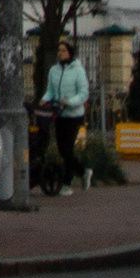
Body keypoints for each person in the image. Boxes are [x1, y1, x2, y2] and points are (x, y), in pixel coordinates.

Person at [41, 43, 89, 187]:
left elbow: (83, 93)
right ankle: (83, 172)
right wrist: (44, 100)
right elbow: (50, 90)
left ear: (70, 53)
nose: (60, 53)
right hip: (59, 114)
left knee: (67, 148)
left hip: (74, 115)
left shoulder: (78, 71)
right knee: (62, 149)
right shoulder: (54, 70)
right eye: (59, 50)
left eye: (63, 51)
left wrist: (70, 102)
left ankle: (67, 183)